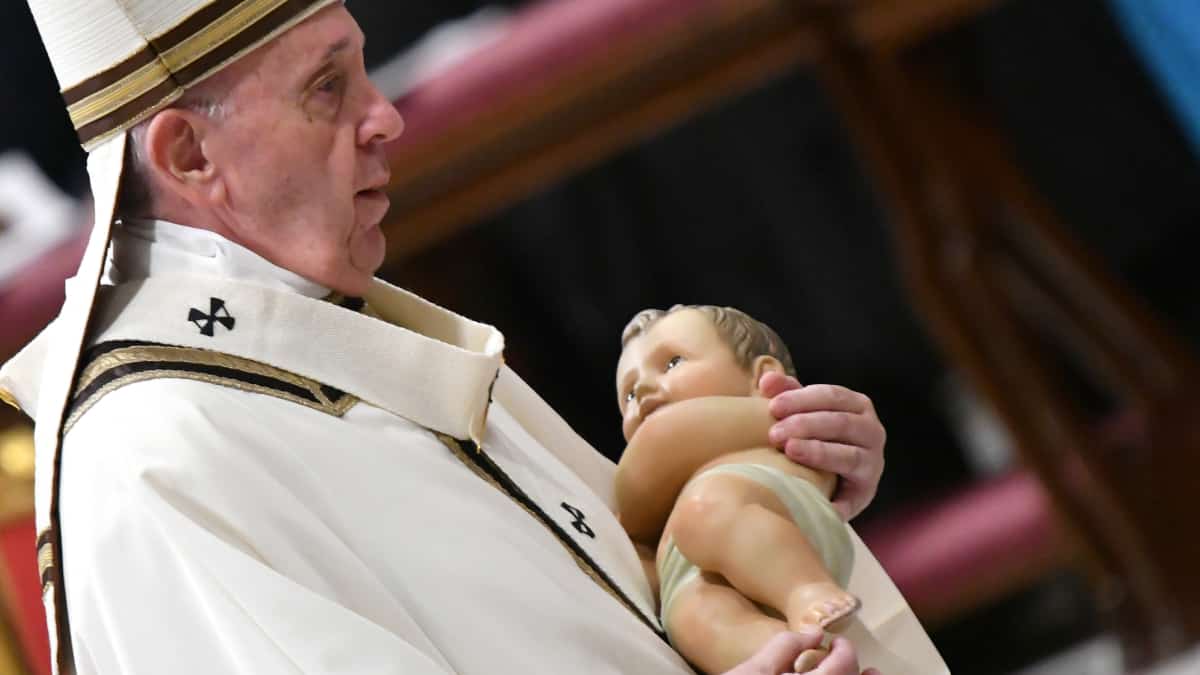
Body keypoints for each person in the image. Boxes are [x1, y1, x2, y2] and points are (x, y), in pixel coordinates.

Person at [0, 2, 902, 673]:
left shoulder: (320, 331)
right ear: (189, 156)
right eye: (328, 86)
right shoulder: (160, 457)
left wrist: (784, 489)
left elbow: (604, 611)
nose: (384, 115)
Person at [615, 305, 863, 674]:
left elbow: (653, 452)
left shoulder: (774, 424)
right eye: (630, 394)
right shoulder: (676, 489)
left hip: (774, 522)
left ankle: (806, 591)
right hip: (696, 568)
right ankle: (793, 659)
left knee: (705, 511)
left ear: (762, 378)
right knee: (690, 618)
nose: (645, 389)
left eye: (672, 363)